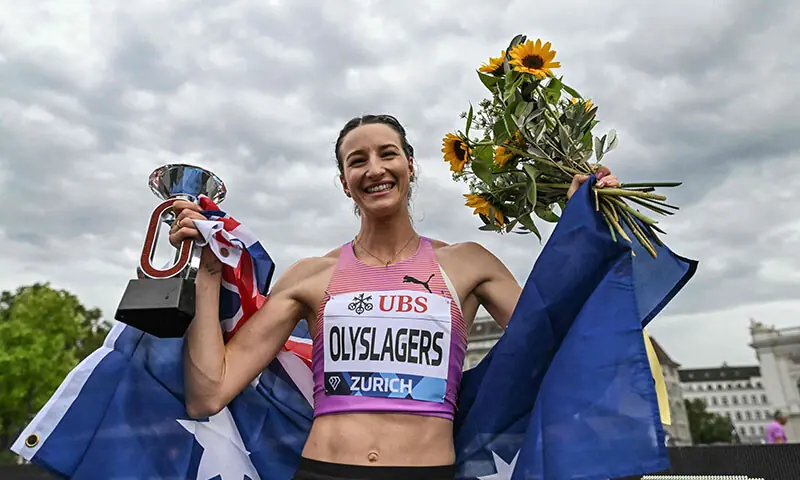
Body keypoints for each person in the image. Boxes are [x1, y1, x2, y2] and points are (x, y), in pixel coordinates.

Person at [169, 114, 620, 480]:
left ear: (410, 165)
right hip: (324, 471)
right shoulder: (312, 276)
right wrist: (209, 271)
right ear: (345, 182)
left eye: (388, 154)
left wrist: (586, 230)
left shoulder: (468, 265)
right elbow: (208, 394)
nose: (375, 169)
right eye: (357, 161)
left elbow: (559, 346)